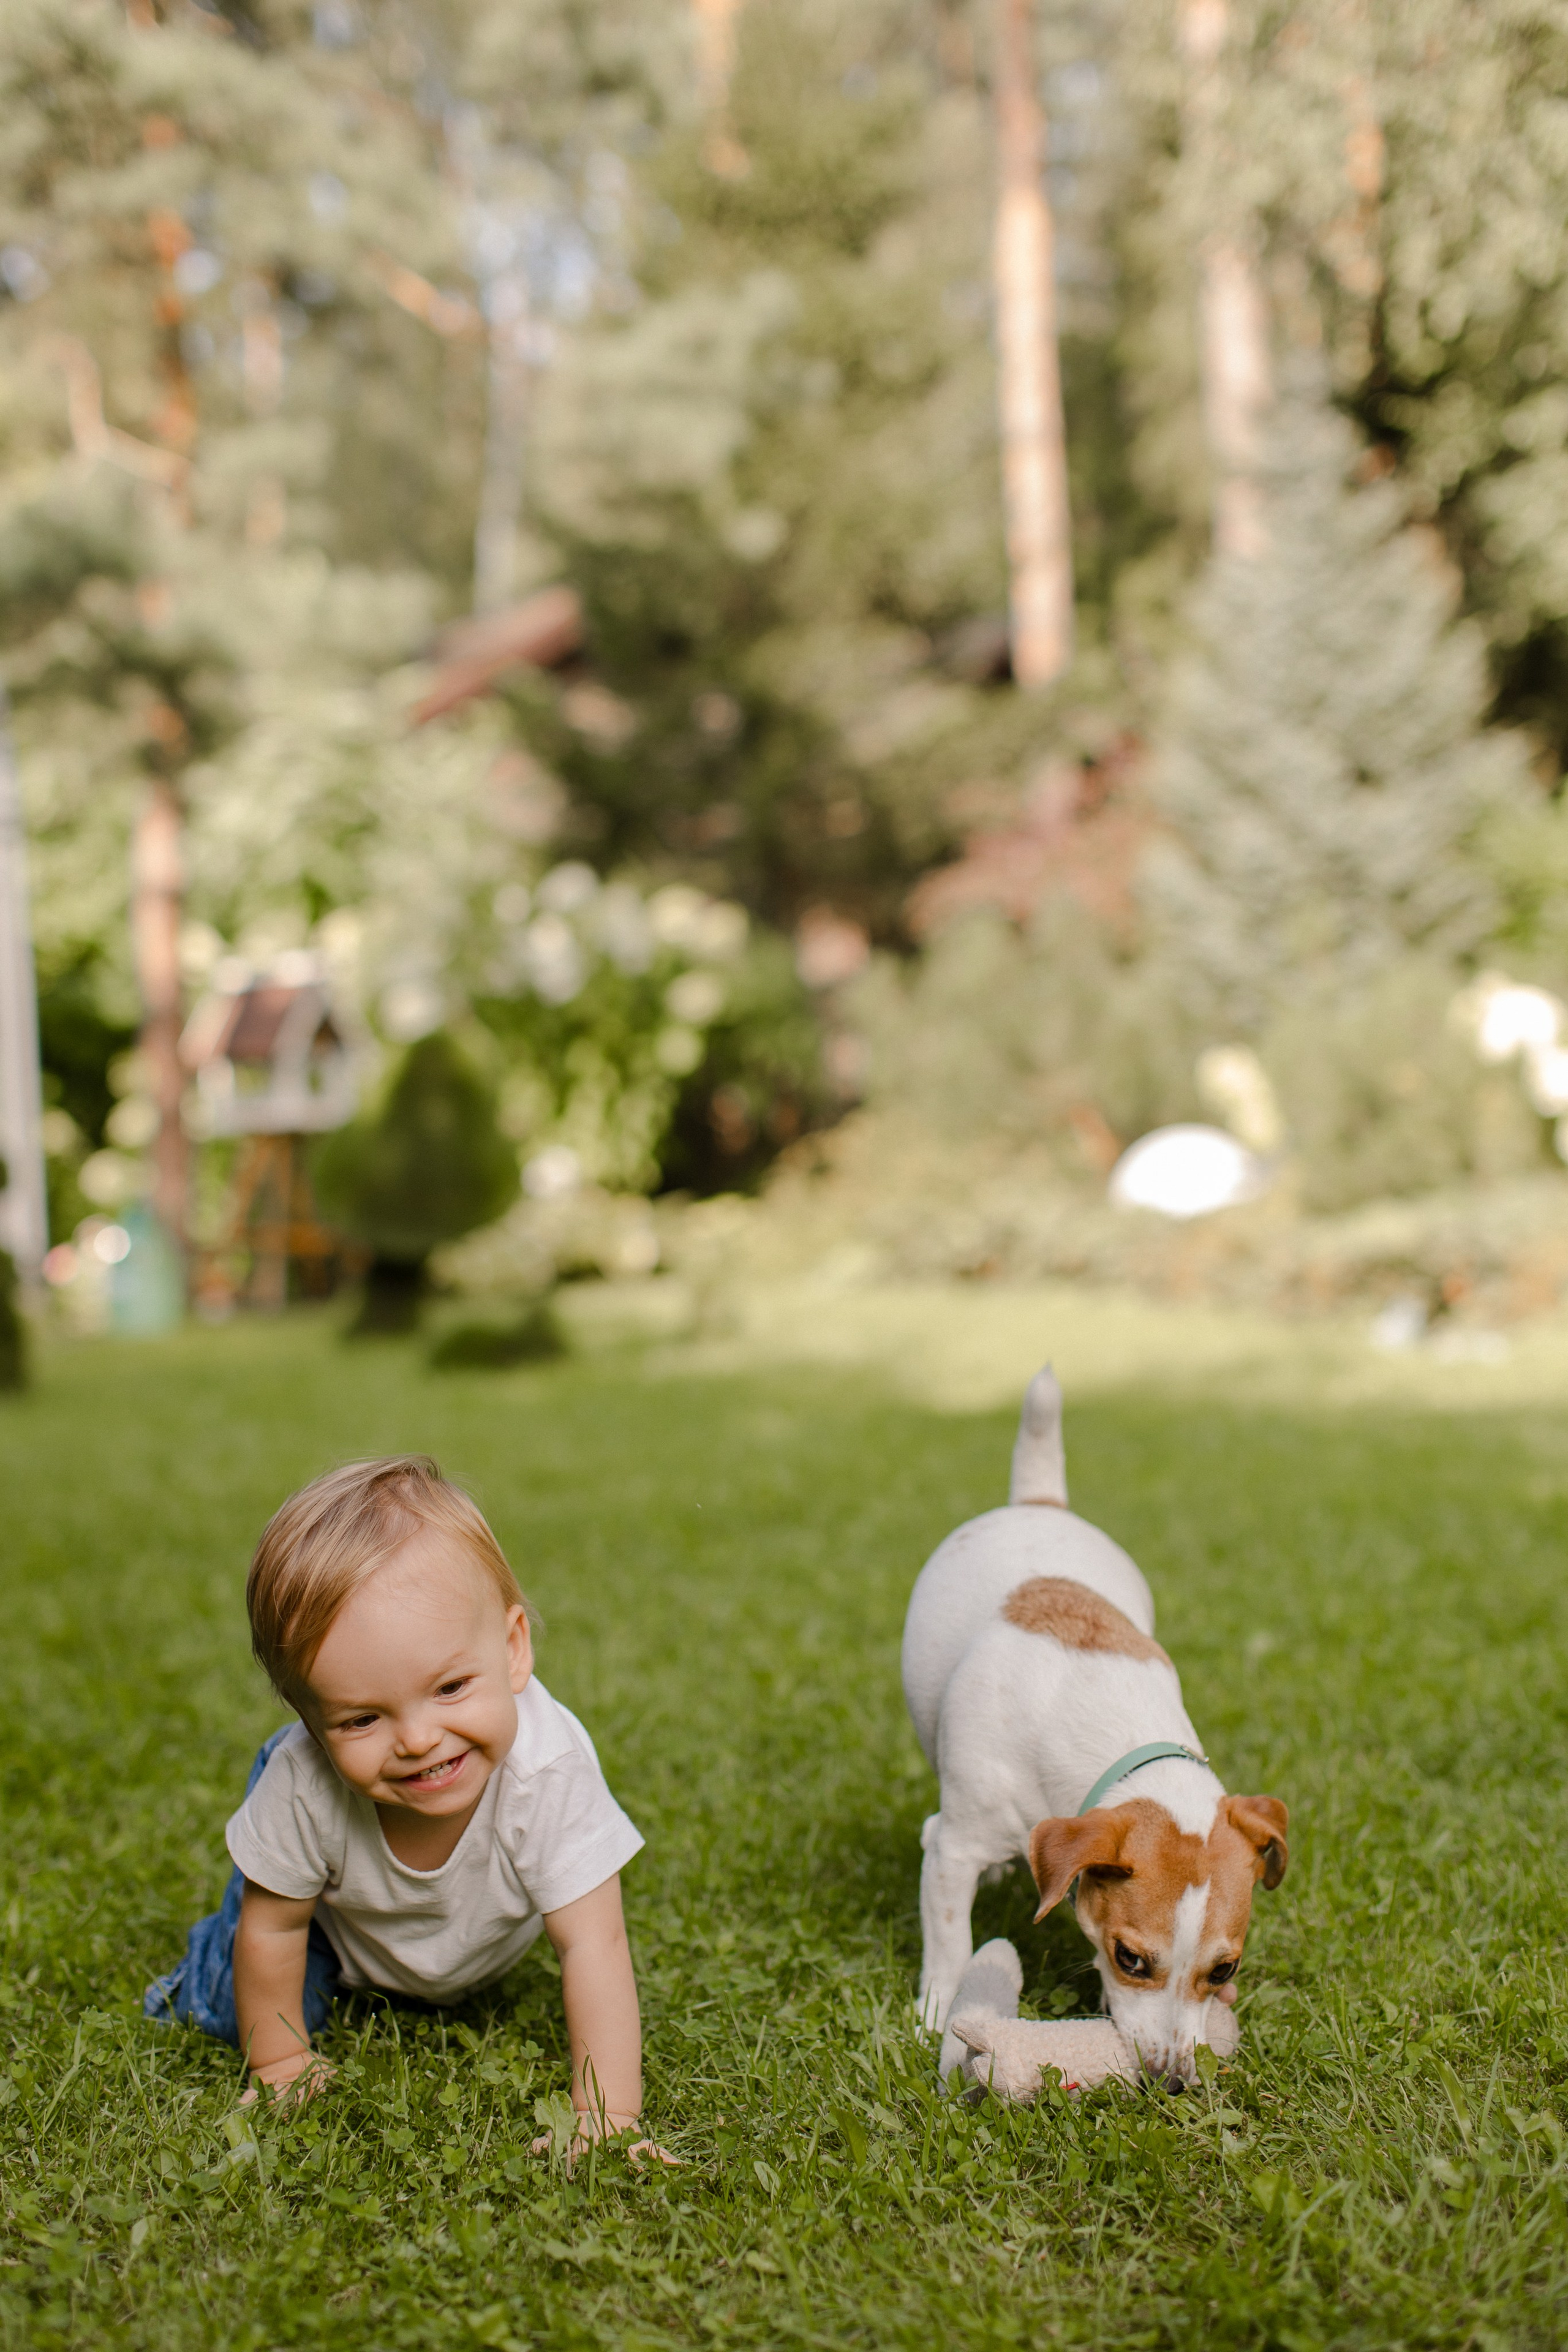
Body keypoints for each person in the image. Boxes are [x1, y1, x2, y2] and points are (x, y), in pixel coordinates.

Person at [145, 1455, 667, 2163]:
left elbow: (593, 1944)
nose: (420, 1740)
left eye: (450, 1687)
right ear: (306, 1716)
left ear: (514, 1650)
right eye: (362, 1719)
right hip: (339, 1928)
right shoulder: (308, 1780)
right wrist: (280, 2066)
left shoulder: (546, 1769)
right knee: (227, 2002)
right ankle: (237, 1910)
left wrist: (608, 2116)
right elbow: (274, 1931)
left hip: (456, 1934)